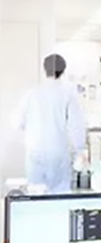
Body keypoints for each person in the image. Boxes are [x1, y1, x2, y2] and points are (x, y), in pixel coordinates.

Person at [14, 54, 86, 193]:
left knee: (35, 194)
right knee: (60, 194)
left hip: (35, 151)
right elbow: (77, 127)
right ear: (63, 71)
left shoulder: (32, 94)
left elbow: (17, 123)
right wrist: (80, 150)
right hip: (59, 152)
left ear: (44, 69)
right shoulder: (68, 95)